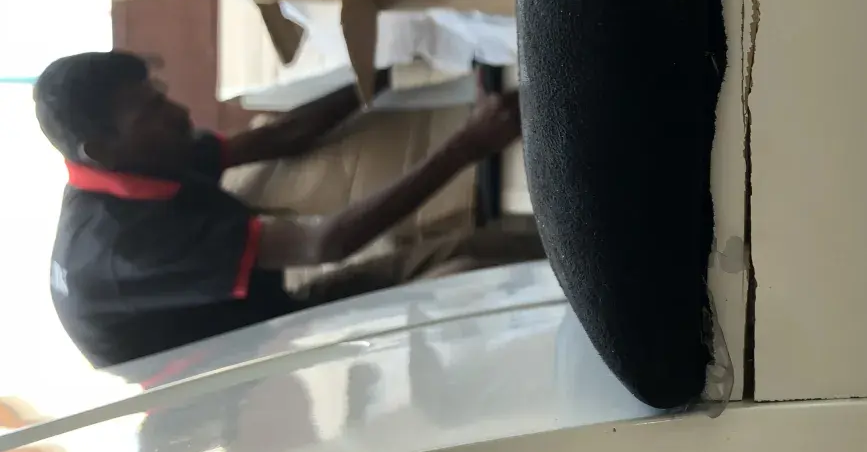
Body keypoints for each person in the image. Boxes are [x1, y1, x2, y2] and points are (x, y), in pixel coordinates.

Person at [34, 51, 524, 372]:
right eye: (150, 113)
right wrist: (469, 144)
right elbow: (324, 244)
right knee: (468, 280)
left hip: (261, 317)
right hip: (247, 383)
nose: (177, 112)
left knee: (472, 249)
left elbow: (280, 137)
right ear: (101, 150)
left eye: (159, 96)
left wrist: (382, 70)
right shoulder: (129, 248)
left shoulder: (142, 158)